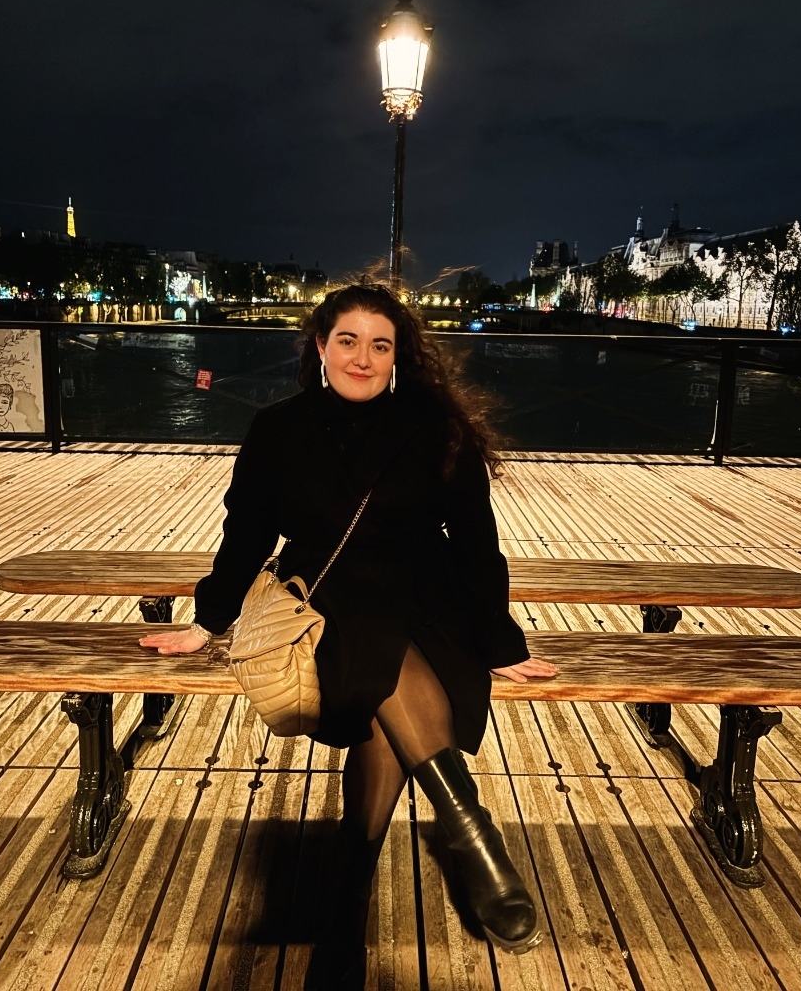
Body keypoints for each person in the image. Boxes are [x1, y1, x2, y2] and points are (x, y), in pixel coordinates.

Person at [140, 282, 558, 988]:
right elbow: (247, 535)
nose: (362, 357)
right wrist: (209, 621)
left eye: (379, 344)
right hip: (326, 592)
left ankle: (347, 903)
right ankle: (471, 834)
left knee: (379, 688)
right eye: (348, 341)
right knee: (370, 644)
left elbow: (476, 543)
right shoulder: (278, 428)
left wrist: (500, 641)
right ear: (320, 346)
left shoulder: (432, 426)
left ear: (397, 356)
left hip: (427, 594)